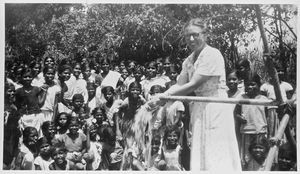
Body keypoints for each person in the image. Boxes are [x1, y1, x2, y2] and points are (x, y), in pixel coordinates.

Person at [150, 18, 241, 171]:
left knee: (216, 151)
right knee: (201, 150)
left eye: (195, 35)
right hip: (198, 107)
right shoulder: (188, 60)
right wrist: (162, 96)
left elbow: (193, 84)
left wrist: (163, 98)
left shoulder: (212, 54)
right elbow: (180, 84)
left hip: (215, 106)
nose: (191, 39)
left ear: (205, 35)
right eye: (187, 36)